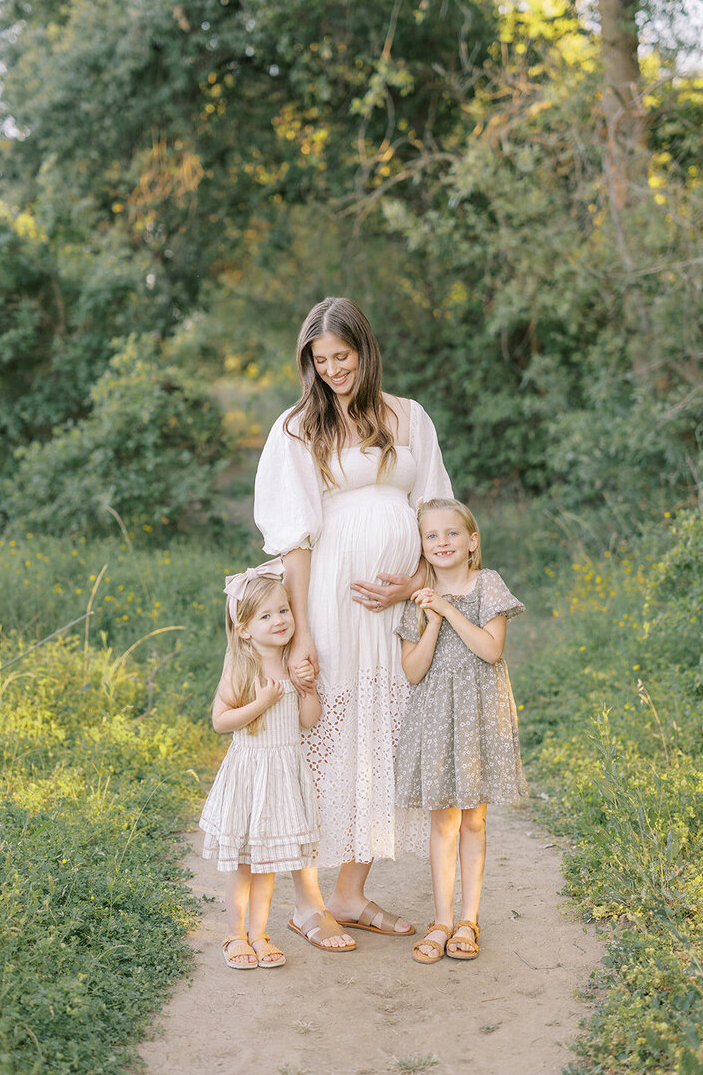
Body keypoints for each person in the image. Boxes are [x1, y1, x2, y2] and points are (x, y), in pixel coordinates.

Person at [254, 297, 453, 951]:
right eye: (321, 360)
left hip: (393, 608)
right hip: (331, 603)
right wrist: (302, 630)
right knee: (319, 739)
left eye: (343, 356)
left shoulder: (409, 417)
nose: (334, 370)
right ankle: (307, 903)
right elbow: (296, 539)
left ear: (365, 351)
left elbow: (437, 510)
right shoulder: (298, 429)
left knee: (383, 739)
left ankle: (350, 893)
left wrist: (418, 580)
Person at [394, 498, 527, 963]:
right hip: (435, 716)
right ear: (422, 548)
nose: (442, 542)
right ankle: (442, 918)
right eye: (432, 536)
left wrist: (449, 611)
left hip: (479, 714)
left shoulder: (487, 584)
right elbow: (412, 672)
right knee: (443, 819)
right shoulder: (420, 598)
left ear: (472, 542)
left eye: (452, 533)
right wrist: (432, 619)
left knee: (474, 817)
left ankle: (469, 919)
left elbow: (490, 649)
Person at [199, 558, 325, 969]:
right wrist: (260, 703)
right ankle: (235, 935)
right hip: (251, 773)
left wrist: (306, 689)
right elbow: (221, 721)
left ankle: (260, 933)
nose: (278, 621)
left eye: (283, 611)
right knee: (243, 864)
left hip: (284, 775)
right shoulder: (242, 664)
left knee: (267, 861)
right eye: (266, 615)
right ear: (244, 628)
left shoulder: (294, 662)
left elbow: (308, 722)